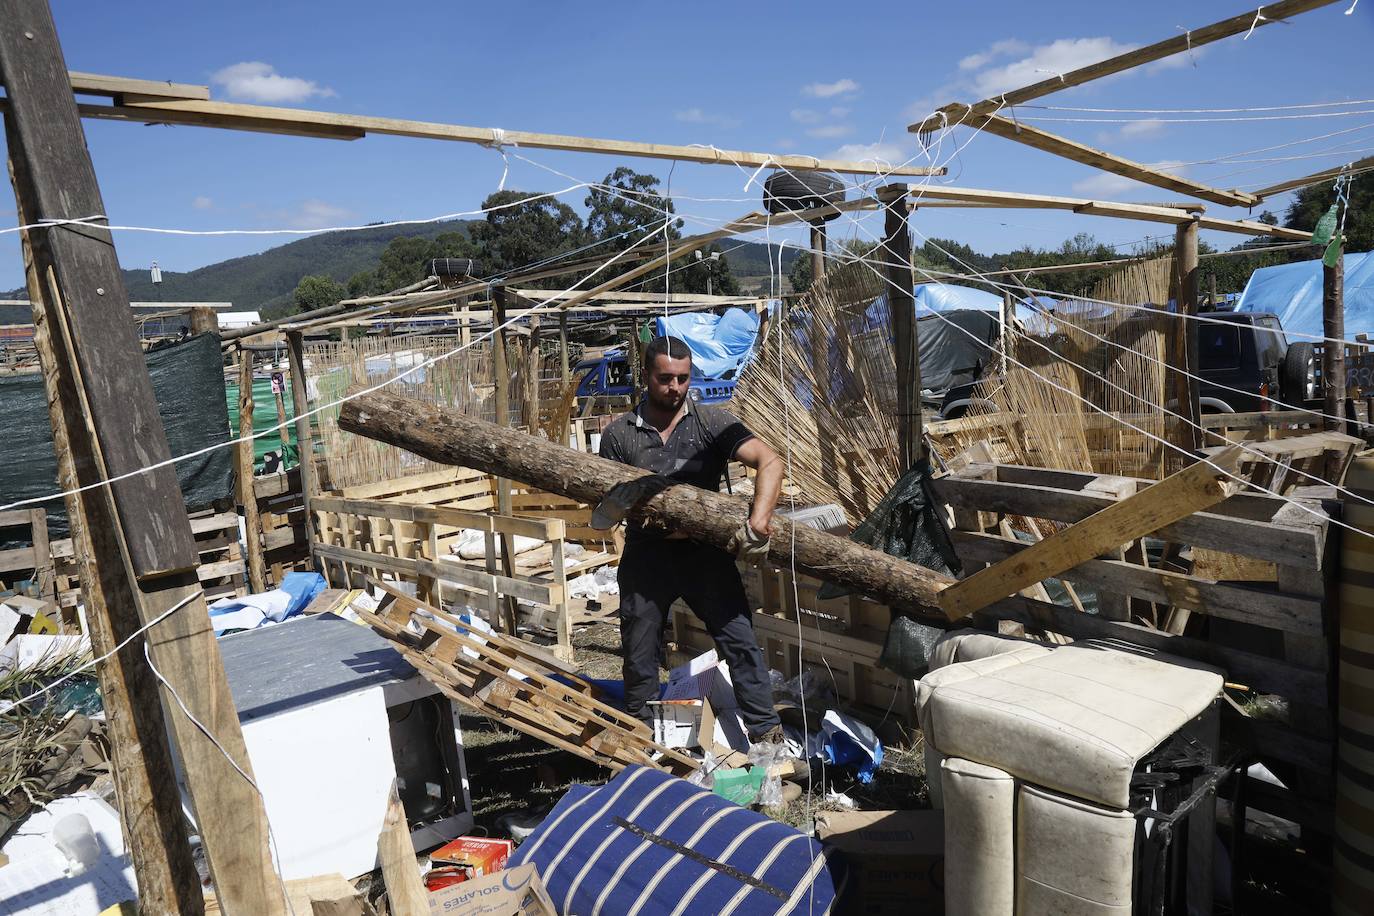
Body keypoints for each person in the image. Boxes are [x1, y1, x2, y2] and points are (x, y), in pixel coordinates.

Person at [598, 335, 785, 743]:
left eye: (683, 379)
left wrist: (758, 521)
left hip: (706, 556)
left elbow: (770, 460)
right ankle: (640, 740)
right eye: (665, 378)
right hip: (648, 557)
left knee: (740, 641)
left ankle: (767, 735)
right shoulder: (619, 436)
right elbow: (605, 505)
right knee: (639, 649)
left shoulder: (711, 422)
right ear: (646, 376)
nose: (675, 388)